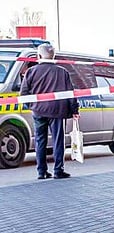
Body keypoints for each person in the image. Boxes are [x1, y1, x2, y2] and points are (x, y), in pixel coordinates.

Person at [19, 43, 79, 180]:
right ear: (54, 56)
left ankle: (41, 171)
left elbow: (24, 94)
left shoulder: (31, 72)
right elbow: (70, 93)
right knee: (58, 141)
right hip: (57, 111)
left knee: (40, 141)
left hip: (38, 112)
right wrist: (74, 110)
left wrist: (33, 106)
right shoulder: (62, 72)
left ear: (39, 56)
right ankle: (58, 170)